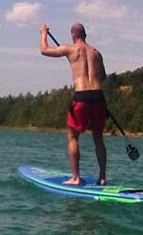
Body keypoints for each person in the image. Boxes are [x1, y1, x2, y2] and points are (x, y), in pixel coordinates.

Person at [40, 22, 107, 185]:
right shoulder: (97, 53)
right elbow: (103, 76)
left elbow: (44, 50)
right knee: (98, 138)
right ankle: (102, 177)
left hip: (82, 95)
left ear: (73, 36)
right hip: (98, 95)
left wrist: (44, 32)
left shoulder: (70, 48)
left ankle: (76, 177)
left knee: (72, 137)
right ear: (85, 35)